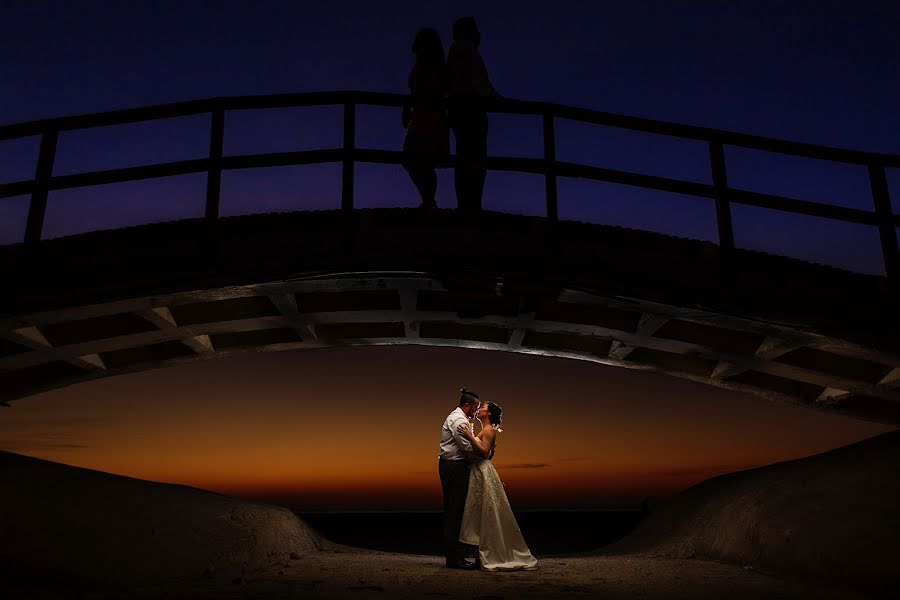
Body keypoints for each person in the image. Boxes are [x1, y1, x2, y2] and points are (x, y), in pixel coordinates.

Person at [456, 401, 538, 571]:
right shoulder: (485, 430)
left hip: (483, 471)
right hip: (479, 470)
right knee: (481, 509)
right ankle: (478, 551)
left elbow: (484, 452)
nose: (479, 409)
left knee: (487, 509)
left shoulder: (489, 430)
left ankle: (486, 551)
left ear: (489, 413)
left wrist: (469, 436)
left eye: (483, 408)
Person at [446, 16, 499, 214]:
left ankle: (465, 205)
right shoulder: (467, 50)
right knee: (476, 157)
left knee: (463, 158)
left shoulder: (454, 51)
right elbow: (480, 85)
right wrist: (500, 101)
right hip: (471, 112)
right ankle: (472, 207)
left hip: (459, 112)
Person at [402, 27, 450, 209]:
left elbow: (424, 90)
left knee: (417, 159)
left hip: (428, 117)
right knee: (418, 160)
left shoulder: (431, 65)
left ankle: (429, 201)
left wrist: (408, 104)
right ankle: (429, 200)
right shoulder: (428, 64)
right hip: (424, 117)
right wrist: (408, 105)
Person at [438, 387, 481, 569]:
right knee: (455, 512)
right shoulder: (458, 421)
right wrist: (483, 450)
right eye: (475, 407)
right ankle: (453, 558)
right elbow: (467, 448)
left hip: (454, 466)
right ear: (467, 405)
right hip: (454, 467)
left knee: (457, 510)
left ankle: (457, 554)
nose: (477, 411)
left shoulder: (460, 418)